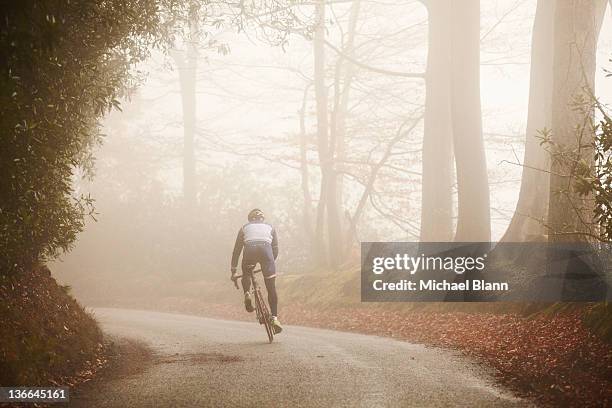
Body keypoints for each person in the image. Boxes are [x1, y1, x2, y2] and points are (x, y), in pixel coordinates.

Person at [231, 208, 282, 334]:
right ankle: (275, 318)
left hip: (250, 252)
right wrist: (269, 264)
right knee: (271, 288)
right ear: (262, 219)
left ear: (250, 220)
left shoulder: (244, 228)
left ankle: (247, 293)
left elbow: (237, 250)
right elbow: (275, 250)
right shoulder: (270, 227)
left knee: (247, 273)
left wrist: (233, 270)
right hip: (267, 254)